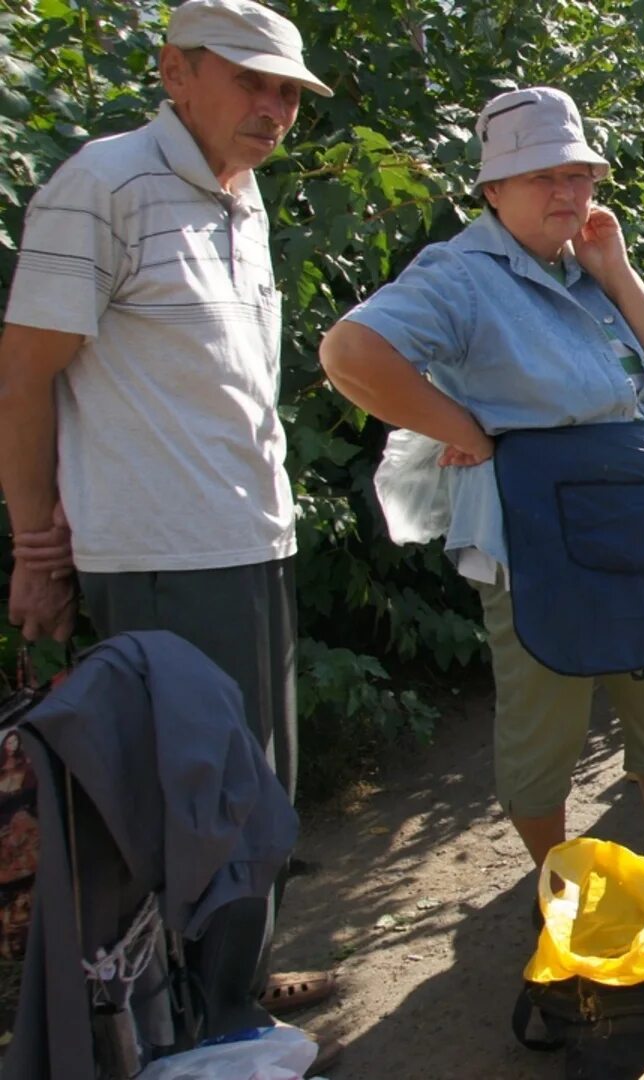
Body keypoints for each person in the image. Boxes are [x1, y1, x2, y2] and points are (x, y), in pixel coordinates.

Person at [0, 0, 339, 1022]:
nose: (274, 107)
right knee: (195, 807)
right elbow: (23, 376)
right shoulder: (102, 185)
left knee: (252, 793)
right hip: (160, 557)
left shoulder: (242, 199)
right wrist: (36, 547)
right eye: (252, 81)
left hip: (252, 541)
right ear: (175, 72)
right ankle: (195, 1022)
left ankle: (232, 981)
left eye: (288, 91)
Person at [319, 87, 644, 882]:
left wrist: (618, 270)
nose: (566, 192)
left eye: (578, 174)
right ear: (492, 190)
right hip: (534, 540)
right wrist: (464, 430)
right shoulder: (461, 274)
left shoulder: (590, 268)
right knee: (546, 723)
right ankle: (560, 886)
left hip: (633, 524)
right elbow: (351, 354)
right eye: (541, 177)